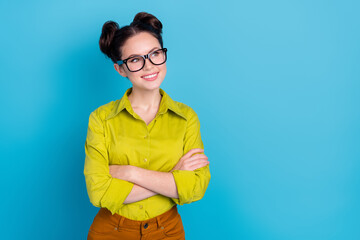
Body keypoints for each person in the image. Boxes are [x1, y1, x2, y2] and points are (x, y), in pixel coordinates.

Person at [84, 12, 211, 240]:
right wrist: (174, 177)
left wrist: (130, 172)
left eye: (155, 54)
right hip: (110, 231)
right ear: (121, 69)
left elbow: (195, 187)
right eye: (134, 59)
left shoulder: (186, 117)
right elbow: (99, 193)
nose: (149, 66)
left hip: (168, 230)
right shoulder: (100, 119)